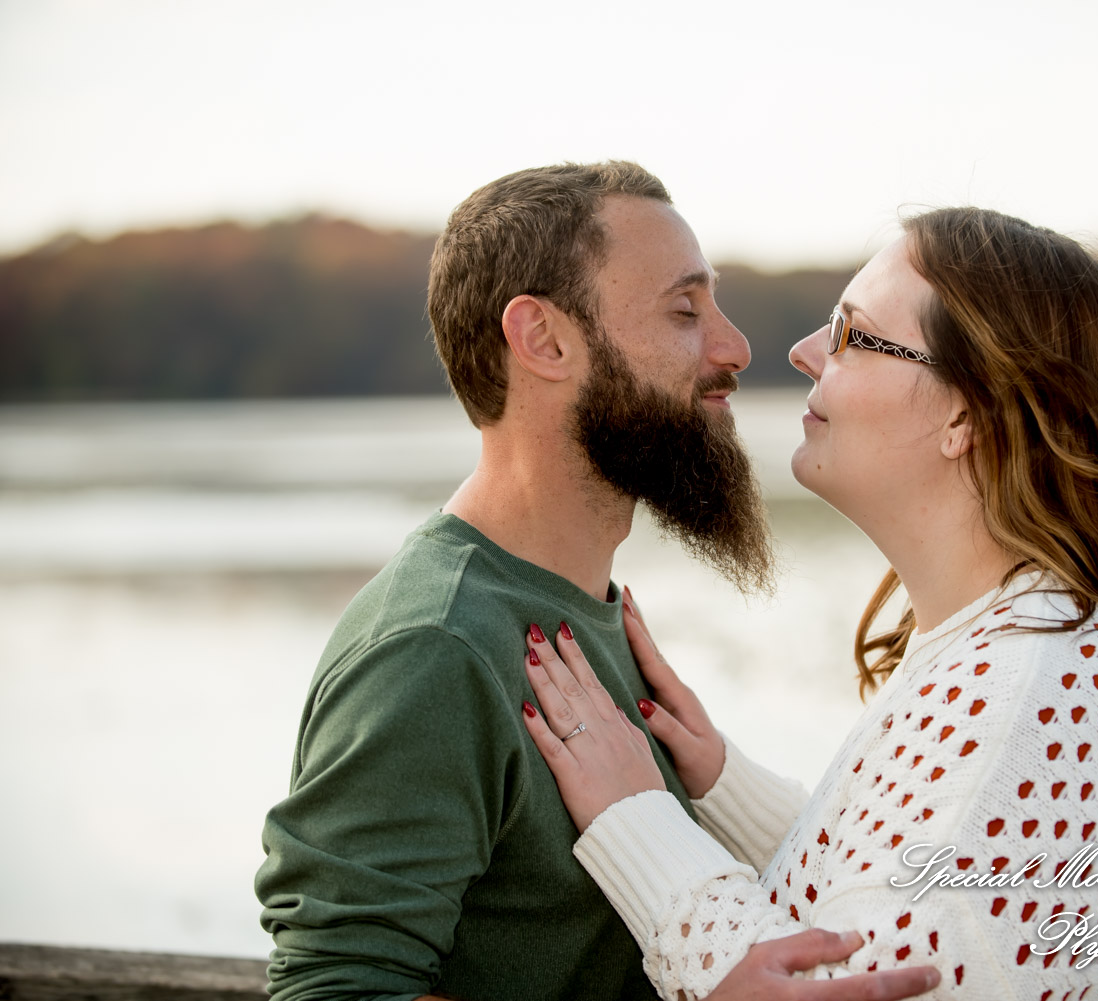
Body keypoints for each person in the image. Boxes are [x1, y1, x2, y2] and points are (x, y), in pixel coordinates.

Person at [520, 207, 1098, 999]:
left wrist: (639, 823)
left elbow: (865, 982)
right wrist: (719, 786)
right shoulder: (1038, 636)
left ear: (965, 415)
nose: (804, 353)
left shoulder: (1039, 690)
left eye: (851, 334)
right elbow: (931, 898)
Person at [253, 162, 938, 1001]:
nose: (734, 348)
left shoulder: (593, 611)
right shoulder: (433, 647)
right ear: (544, 339)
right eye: (685, 311)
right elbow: (334, 991)